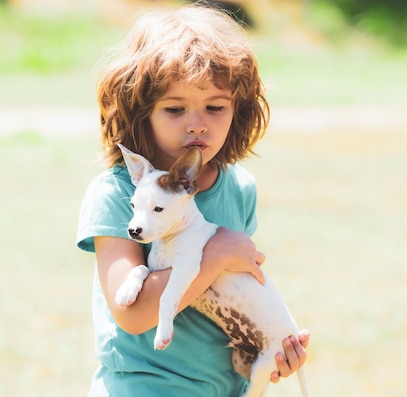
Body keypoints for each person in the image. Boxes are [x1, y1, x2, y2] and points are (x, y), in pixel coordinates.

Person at [76, 4, 309, 396]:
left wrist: (272, 346)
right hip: (146, 388)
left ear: (238, 110)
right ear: (140, 112)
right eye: (175, 108)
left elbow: (234, 295)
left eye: (215, 107)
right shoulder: (116, 194)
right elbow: (132, 315)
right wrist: (214, 253)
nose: (197, 122)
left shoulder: (239, 187)